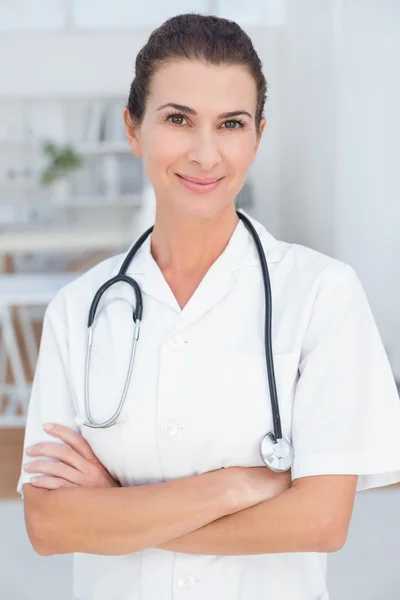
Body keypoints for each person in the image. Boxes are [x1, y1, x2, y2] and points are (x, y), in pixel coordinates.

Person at [17, 13, 400, 600]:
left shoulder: (323, 294)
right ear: (133, 129)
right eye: (178, 119)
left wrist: (116, 511)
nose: (205, 153)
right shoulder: (80, 309)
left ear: (258, 136)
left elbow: (321, 521)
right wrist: (233, 488)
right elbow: (49, 525)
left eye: (231, 124)